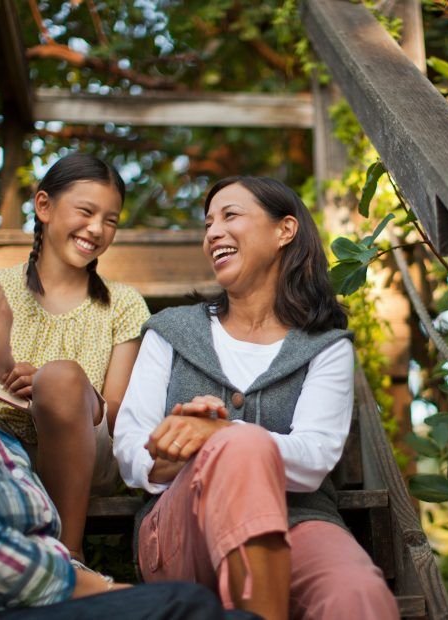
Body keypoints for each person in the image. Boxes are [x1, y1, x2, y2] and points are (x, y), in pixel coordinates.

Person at [0, 240, 230, 619]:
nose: (10, 313)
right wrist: (101, 589)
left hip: (14, 606)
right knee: (186, 606)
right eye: (0, 299)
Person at [113, 176, 399, 619]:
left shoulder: (326, 346)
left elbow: (316, 456)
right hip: (181, 529)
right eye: (208, 223)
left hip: (299, 520)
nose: (212, 233)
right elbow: (131, 448)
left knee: (356, 594)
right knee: (238, 445)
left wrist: (219, 434)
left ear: (285, 230)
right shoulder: (170, 331)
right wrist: (194, 449)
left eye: (230, 216)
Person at [0, 153, 150, 562]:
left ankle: (68, 556)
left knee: (60, 378)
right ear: (44, 206)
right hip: (0, 439)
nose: (96, 229)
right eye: (86, 211)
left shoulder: (124, 304)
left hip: (88, 451)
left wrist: (60, 387)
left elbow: (118, 413)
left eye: (110, 220)